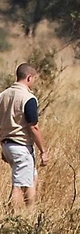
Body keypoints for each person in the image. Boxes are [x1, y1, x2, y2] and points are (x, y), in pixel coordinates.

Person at [0, 63, 49, 213]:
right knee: (19, 186)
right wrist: (43, 150)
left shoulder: (2, 95)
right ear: (29, 77)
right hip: (21, 146)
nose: (34, 82)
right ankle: (14, 217)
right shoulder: (28, 98)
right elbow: (33, 126)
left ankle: (29, 213)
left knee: (31, 178)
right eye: (34, 79)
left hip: (7, 145)